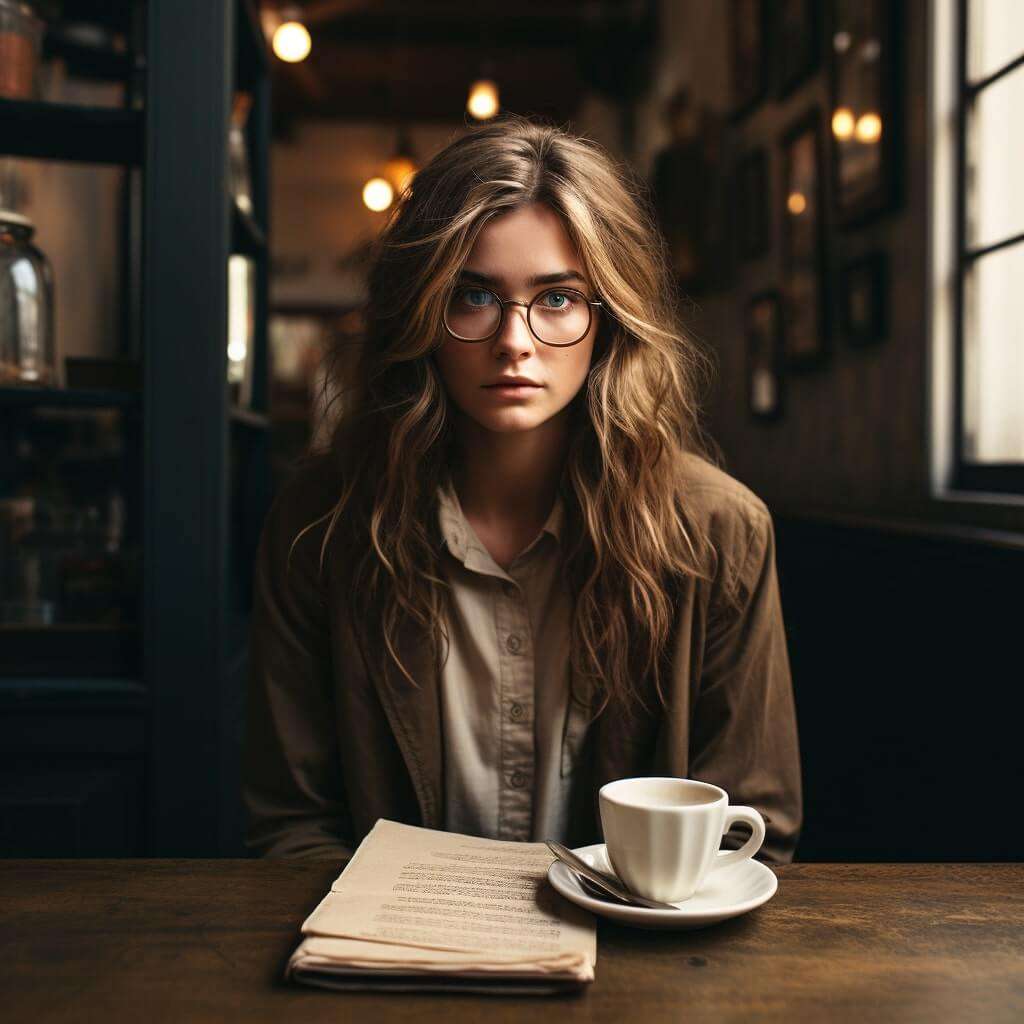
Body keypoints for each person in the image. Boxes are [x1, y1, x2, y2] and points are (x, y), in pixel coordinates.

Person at [242, 114, 802, 864]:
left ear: (611, 320)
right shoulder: (321, 520)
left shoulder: (721, 532)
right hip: (386, 966)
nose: (515, 341)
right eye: (473, 296)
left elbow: (750, 828)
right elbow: (288, 824)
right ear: (424, 315)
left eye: (559, 299)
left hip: (634, 968)